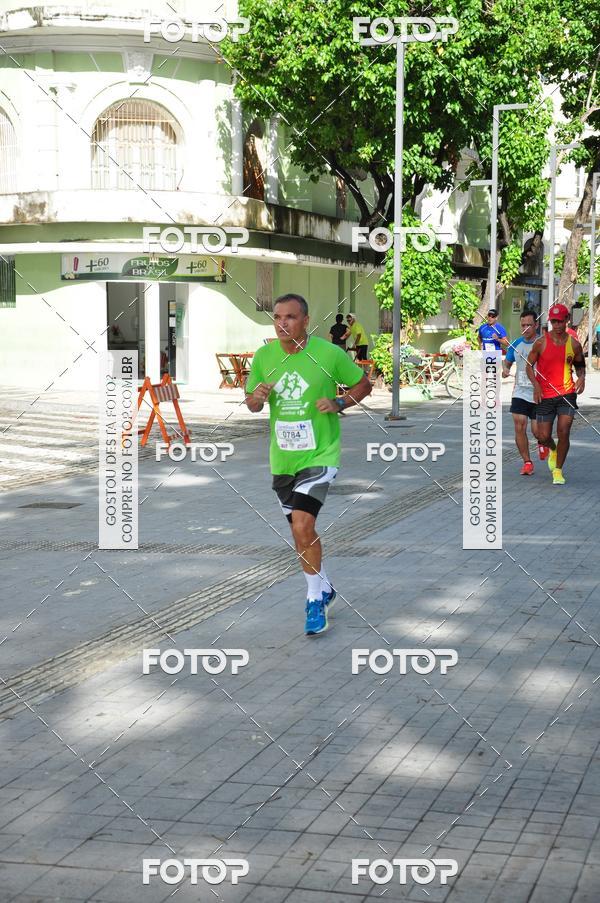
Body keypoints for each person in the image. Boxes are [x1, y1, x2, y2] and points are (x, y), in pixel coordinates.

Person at [245, 293, 372, 635]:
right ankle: (326, 586)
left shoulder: (328, 354)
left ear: (305, 320)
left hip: (320, 454)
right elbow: (252, 404)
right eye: (277, 316)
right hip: (282, 458)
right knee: (300, 534)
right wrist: (256, 398)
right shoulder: (264, 356)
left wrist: (340, 401)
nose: (282, 322)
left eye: (289, 316)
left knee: (303, 527)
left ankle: (314, 599)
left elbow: (364, 383)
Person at [526, 302, 586, 485]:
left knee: (564, 431)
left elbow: (580, 365)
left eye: (560, 321)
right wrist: (536, 385)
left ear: (567, 320)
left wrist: (582, 378)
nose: (557, 325)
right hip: (544, 395)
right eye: (554, 321)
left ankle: (558, 471)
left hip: (566, 394)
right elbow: (528, 366)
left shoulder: (574, 345)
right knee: (542, 436)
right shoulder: (540, 343)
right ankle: (552, 448)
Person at [502, 310, 545, 475]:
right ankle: (527, 462)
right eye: (523, 325)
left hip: (539, 392)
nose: (526, 328)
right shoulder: (516, 344)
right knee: (519, 426)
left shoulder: (543, 343)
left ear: (536, 325)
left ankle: (543, 442)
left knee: (537, 431)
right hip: (520, 392)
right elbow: (506, 363)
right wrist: (505, 370)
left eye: (529, 325)